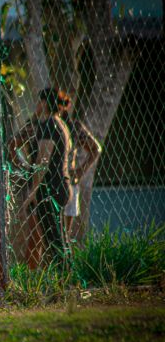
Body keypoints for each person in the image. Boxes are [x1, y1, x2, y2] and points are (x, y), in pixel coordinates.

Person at [9, 88, 73, 268]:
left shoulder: (50, 125)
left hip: (51, 187)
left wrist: (33, 191)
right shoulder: (57, 123)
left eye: (39, 102)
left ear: (44, 103)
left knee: (54, 239)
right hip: (57, 185)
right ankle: (66, 276)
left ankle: (65, 277)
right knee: (56, 237)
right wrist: (26, 168)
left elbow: (43, 161)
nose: (36, 106)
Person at [57, 93, 102, 242]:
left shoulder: (73, 127)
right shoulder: (43, 125)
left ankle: (65, 263)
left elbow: (95, 149)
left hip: (68, 181)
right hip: (49, 181)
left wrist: (79, 171)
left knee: (64, 235)